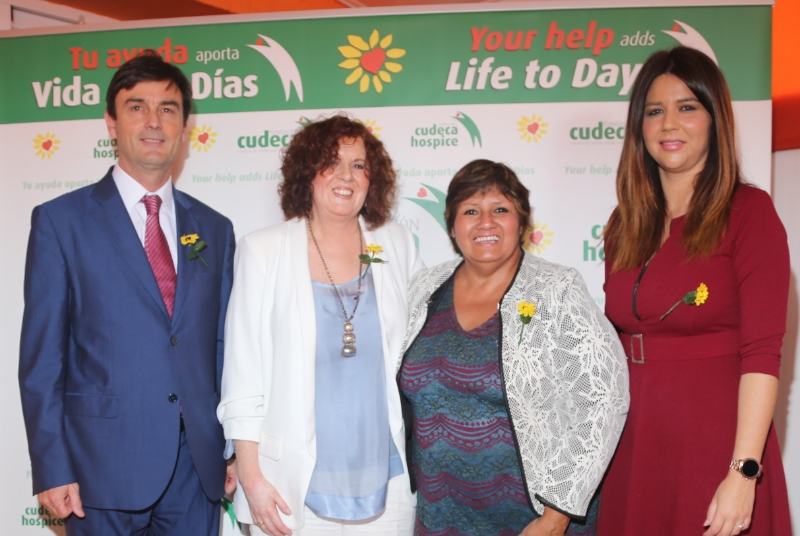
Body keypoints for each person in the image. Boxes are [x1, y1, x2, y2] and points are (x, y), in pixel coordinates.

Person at [18, 52, 236, 536]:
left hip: (196, 468)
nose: (154, 121)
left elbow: (223, 348)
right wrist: (51, 465)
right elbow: (43, 359)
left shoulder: (215, 229)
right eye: (137, 107)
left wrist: (234, 448)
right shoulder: (60, 221)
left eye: (168, 108)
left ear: (184, 127)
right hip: (99, 468)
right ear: (111, 123)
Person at [598, 46, 793, 536]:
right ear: (638, 127)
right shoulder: (623, 225)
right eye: (654, 111)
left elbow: (762, 354)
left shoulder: (750, 213)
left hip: (718, 447)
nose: (669, 124)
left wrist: (743, 472)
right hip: (634, 447)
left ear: (714, 119)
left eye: (687, 107)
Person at [398, 159, 629, 536]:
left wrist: (556, 516)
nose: (485, 222)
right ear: (452, 226)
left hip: (535, 520)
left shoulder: (556, 289)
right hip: (441, 515)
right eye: (470, 211)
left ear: (522, 223)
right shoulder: (423, 288)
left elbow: (602, 400)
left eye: (500, 210)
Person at [218, 115, 424, 536]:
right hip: (287, 484)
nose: (346, 175)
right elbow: (243, 375)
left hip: (388, 480)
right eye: (331, 163)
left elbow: (427, 341)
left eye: (358, 165)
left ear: (372, 179)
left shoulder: (396, 243)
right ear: (307, 173)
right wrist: (252, 478)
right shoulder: (263, 251)